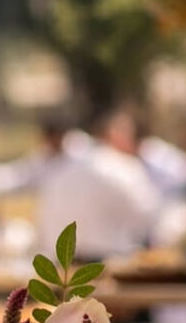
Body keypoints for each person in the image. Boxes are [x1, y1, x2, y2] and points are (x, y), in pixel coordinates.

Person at [36, 105, 160, 260]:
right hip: (111, 262)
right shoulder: (123, 167)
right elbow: (148, 217)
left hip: (64, 263)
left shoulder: (61, 168)